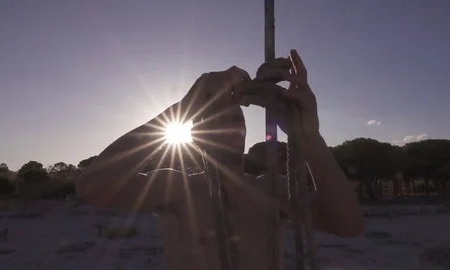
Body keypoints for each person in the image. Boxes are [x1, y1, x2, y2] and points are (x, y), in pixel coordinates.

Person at [76, 49, 364, 270]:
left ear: (244, 131)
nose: (224, 131)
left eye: (233, 122)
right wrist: (185, 106)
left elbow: (348, 225)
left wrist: (309, 137)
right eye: (212, 123)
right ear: (194, 136)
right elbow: (92, 186)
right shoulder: (177, 186)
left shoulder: (271, 189)